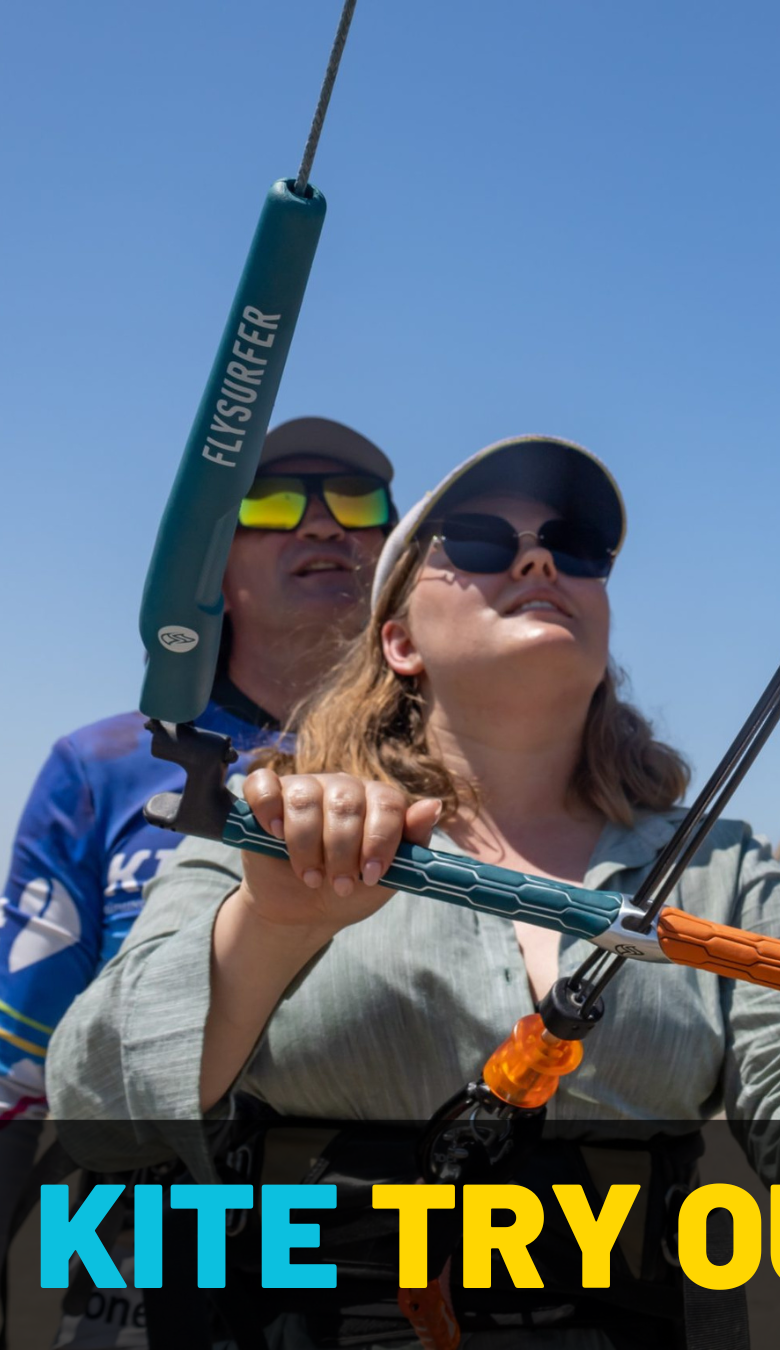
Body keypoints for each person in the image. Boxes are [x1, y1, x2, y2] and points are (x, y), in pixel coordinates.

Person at [48, 435, 780, 1345]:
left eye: (574, 548)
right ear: (399, 639)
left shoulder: (723, 869)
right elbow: (100, 1098)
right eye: (480, 542)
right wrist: (273, 926)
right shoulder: (272, 825)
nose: (538, 563)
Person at [0, 417, 396, 1342]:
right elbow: (19, 1078)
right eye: (269, 503)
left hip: (384, 1275)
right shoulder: (100, 764)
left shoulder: (457, 773)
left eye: (356, 503)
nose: (323, 525)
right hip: (139, 1266)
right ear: (211, 567)